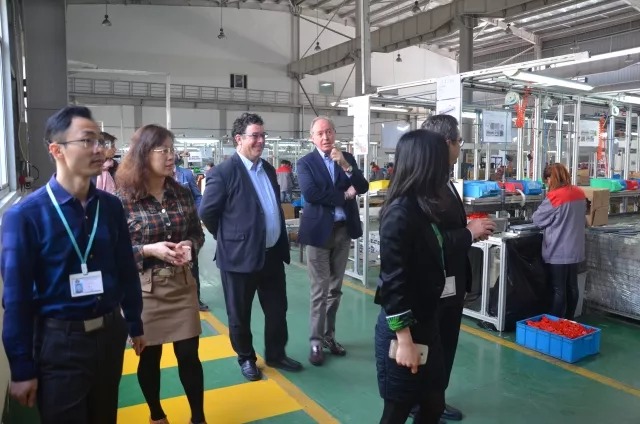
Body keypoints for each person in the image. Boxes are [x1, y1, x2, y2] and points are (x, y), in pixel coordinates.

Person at [0, 106, 145, 424]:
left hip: (109, 334)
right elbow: (16, 298)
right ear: (57, 150)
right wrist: (21, 367)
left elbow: (125, 268)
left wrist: (134, 322)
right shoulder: (25, 216)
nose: (99, 149)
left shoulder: (110, 207)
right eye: (87, 140)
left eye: (101, 141)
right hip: (59, 342)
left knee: (104, 416)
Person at [199, 112, 302, 381]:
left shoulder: (267, 168)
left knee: (277, 310)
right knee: (239, 313)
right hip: (239, 257)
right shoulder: (223, 173)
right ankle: (246, 357)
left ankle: (276, 354)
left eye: (263, 135)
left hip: (272, 254)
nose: (261, 140)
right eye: (255, 135)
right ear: (239, 139)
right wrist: (230, 238)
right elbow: (207, 213)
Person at [116, 125, 206, 424]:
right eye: (163, 150)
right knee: (150, 357)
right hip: (145, 291)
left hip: (182, 284)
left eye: (172, 149)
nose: (171, 156)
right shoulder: (122, 199)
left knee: (189, 355)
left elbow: (196, 233)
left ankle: (198, 417)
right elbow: (114, 251)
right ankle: (157, 415)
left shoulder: (181, 193)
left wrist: (190, 245)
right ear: (144, 154)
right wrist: (148, 250)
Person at [421, 114, 496, 422]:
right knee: (434, 344)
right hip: (437, 282)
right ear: (446, 143)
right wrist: (468, 233)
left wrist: (469, 229)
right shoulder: (426, 185)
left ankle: (435, 400)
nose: (459, 148)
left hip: (452, 280)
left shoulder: (444, 180)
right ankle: (424, 404)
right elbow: (428, 240)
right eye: (458, 142)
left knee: (445, 344)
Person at [374, 129, 451, 424]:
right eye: (442, 160)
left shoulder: (422, 206)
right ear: (426, 163)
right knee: (397, 410)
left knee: (433, 405)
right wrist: (404, 339)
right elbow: (392, 283)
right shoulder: (400, 213)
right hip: (404, 331)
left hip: (427, 324)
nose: (447, 167)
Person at [297, 116, 369, 366]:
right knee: (320, 290)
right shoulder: (305, 163)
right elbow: (311, 194)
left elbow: (363, 186)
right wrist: (345, 195)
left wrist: (346, 166)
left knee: (335, 289)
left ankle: (329, 336)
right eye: (320, 133)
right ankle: (315, 341)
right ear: (312, 138)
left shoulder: (345, 158)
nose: (325, 137)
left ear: (335, 133)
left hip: (343, 231)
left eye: (329, 131)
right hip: (318, 233)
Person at [532, 163, 586, 319]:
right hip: (575, 249)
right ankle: (569, 320)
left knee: (558, 290)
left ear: (552, 178)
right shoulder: (579, 193)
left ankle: (554, 324)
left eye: (547, 179)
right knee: (572, 287)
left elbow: (537, 220)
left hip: (559, 250)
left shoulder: (555, 197)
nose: (548, 183)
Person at [174, 153, 209, 311]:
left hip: (186, 227)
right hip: (167, 228)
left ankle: (196, 299)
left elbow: (197, 196)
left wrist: (197, 215)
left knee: (192, 263)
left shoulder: (186, 174)